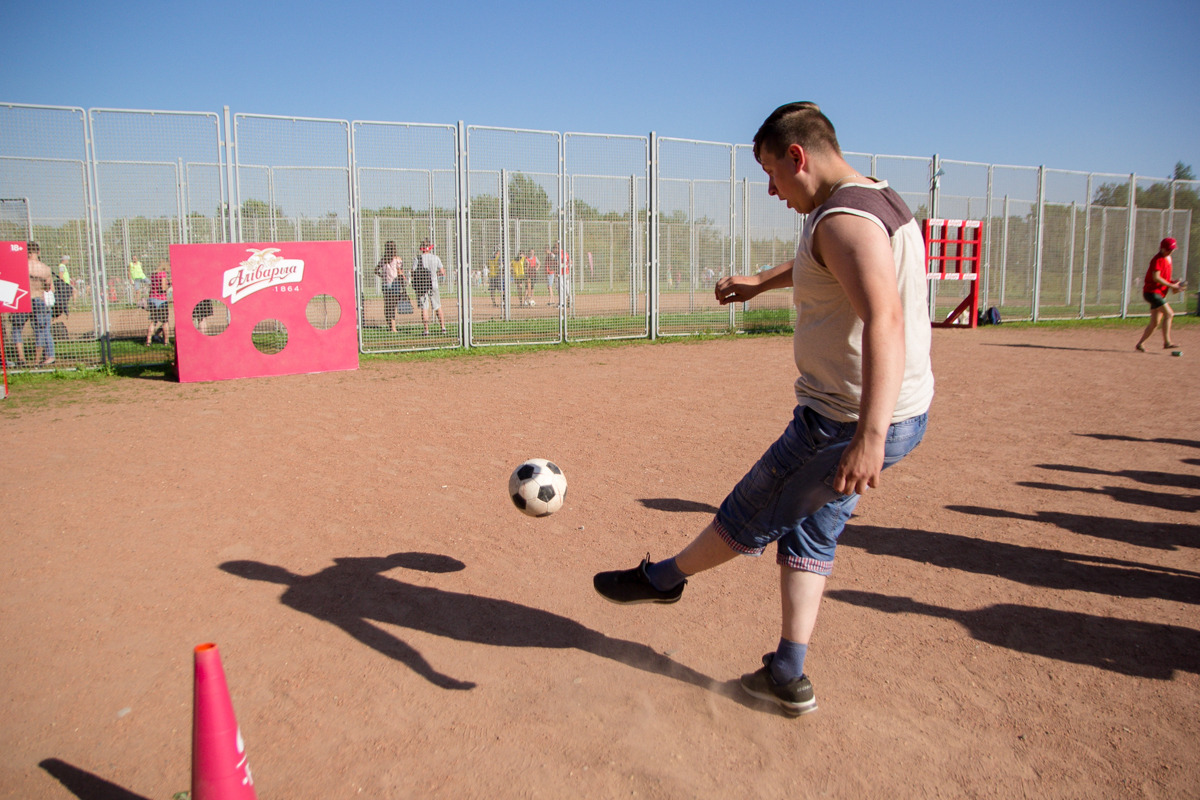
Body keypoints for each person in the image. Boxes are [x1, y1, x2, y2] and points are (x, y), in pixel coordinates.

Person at [593, 102, 935, 717]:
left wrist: (870, 436)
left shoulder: (840, 222)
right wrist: (762, 282)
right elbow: (827, 264)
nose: (772, 190)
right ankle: (786, 673)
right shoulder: (870, 198)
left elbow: (883, 319)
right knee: (810, 529)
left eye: (772, 175)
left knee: (752, 507)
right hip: (880, 411)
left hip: (845, 420)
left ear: (797, 156)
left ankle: (663, 579)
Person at [1135, 237, 1186, 352]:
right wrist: (1171, 286)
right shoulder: (1157, 259)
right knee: (1169, 314)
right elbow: (1156, 277)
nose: (1171, 251)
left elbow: (1164, 277)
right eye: (1169, 249)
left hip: (1159, 293)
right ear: (1162, 249)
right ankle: (1167, 342)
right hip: (1152, 293)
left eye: (1172, 249)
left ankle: (1140, 344)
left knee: (1155, 322)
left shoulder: (1168, 258)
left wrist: (1173, 282)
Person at [21, 241, 55, 366]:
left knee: (27, 328)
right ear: (38, 252)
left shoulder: (23, 267)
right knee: (44, 328)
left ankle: (43, 356)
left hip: (26, 298)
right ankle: (46, 356)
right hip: (41, 299)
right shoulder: (46, 268)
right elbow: (49, 287)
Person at [412, 239, 447, 336]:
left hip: (422, 285)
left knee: (424, 308)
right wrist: (435, 274)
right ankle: (443, 327)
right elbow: (442, 271)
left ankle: (426, 330)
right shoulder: (435, 258)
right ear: (430, 248)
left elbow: (413, 271)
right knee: (437, 306)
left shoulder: (417, 258)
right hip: (433, 284)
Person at [375, 241, 409, 333]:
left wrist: (382, 276)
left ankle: (390, 326)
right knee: (393, 306)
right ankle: (393, 328)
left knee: (387, 306)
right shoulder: (397, 259)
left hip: (386, 284)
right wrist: (403, 284)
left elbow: (376, 270)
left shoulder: (383, 260)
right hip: (395, 284)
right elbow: (400, 272)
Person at [145, 260, 171, 346]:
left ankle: (148, 342)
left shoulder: (153, 274)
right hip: (161, 300)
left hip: (152, 299)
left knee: (153, 321)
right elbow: (163, 288)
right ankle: (166, 342)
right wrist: (169, 284)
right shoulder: (163, 274)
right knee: (165, 322)